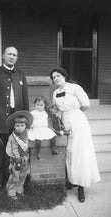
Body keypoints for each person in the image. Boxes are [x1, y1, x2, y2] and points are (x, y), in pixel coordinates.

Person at [50, 67, 100, 203]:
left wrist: (74, 115)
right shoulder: (55, 93)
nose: (56, 79)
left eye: (58, 76)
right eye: (54, 77)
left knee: (80, 153)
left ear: (64, 75)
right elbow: (56, 108)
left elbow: (86, 105)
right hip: (65, 124)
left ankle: (81, 187)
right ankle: (72, 180)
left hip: (78, 122)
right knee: (69, 153)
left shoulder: (75, 88)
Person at [0, 46, 29, 186]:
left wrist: (26, 118)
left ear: (17, 57)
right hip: (0, 118)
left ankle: (16, 176)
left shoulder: (20, 74)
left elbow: (25, 97)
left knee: (18, 149)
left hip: (17, 121)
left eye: (14, 55)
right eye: (9, 54)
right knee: (1, 149)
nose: (11, 56)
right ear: (3, 56)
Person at [5, 110, 33, 200]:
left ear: (26, 126)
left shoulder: (26, 135)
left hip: (25, 158)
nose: (20, 128)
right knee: (15, 176)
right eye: (17, 126)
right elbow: (13, 149)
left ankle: (19, 190)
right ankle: (11, 192)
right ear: (14, 126)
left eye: (22, 126)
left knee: (23, 175)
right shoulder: (13, 137)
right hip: (17, 159)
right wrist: (18, 158)